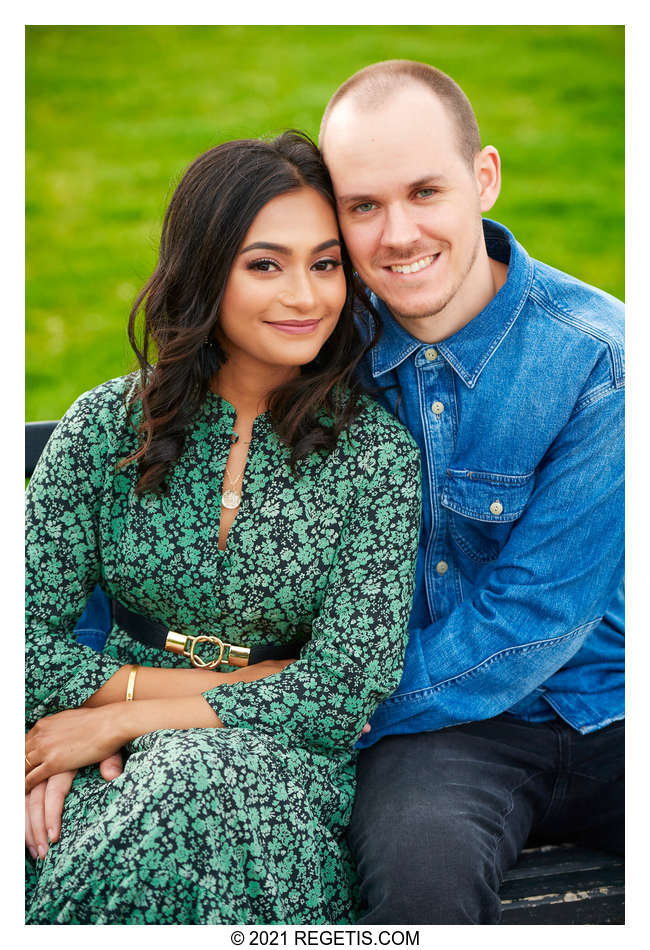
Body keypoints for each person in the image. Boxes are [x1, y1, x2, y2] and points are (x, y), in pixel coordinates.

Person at [24, 131, 422, 924]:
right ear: (206, 271)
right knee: (155, 804)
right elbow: (19, 633)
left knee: (195, 790)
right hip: (111, 765)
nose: (306, 297)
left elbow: (340, 696)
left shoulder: (377, 458)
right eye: (265, 264)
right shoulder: (108, 426)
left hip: (283, 771)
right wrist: (110, 730)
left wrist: (124, 711)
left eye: (325, 263)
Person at [317, 60, 624, 924]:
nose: (399, 233)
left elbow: (532, 622)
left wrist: (312, 702)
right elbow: (152, 447)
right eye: (363, 205)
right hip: (444, 737)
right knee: (421, 892)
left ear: (483, 178)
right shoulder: (317, 348)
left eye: (425, 191)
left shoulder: (601, 362)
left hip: (610, 701)